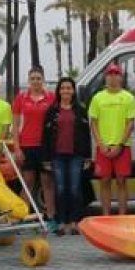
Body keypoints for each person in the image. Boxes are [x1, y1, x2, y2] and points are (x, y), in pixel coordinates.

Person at [42, 78, 91, 235]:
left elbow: (86, 135)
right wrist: (46, 159)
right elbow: (45, 136)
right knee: (61, 189)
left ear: (73, 91)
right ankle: (62, 222)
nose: (66, 91)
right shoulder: (52, 111)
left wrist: (88, 157)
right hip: (57, 156)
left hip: (76, 155)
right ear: (59, 91)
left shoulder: (81, 110)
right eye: (63, 88)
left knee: (75, 189)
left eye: (69, 88)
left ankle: (75, 222)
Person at [89, 64, 135, 215]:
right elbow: (93, 123)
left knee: (122, 181)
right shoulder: (97, 98)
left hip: (122, 147)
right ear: (106, 77)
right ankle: (106, 215)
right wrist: (100, 144)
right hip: (103, 147)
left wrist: (120, 144)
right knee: (104, 181)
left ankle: (122, 215)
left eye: (116, 74)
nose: (113, 77)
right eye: (110, 74)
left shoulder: (128, 98)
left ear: (121, 77)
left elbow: (130, 123)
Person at [13, 67, 56, 219]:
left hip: (45, 147)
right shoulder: (21, 98)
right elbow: (15, 125)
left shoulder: (51, 98)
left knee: (47, 183)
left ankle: (51, 216)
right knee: (28, 183)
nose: (36, 81)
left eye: (38, 78)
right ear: (28, 80)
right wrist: (17, 148)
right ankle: (20, 216)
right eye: (33, 78)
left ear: (43, 80)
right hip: (27, 146)